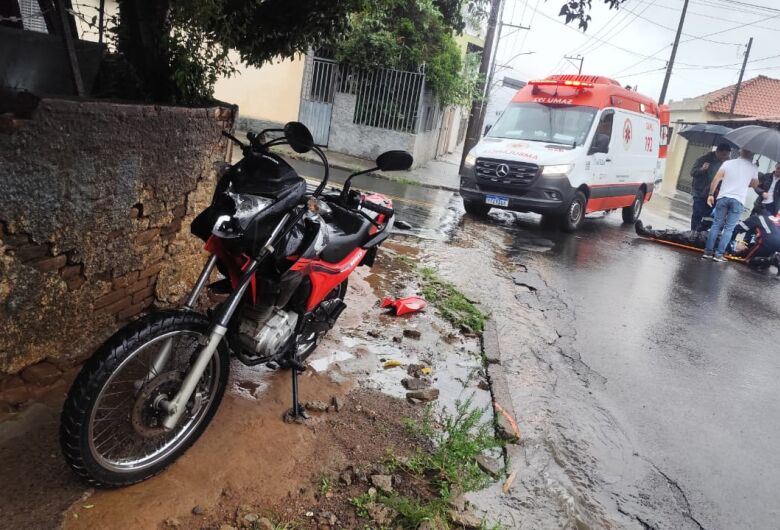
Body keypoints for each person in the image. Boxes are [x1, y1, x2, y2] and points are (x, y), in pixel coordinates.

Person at [635, 213, 780, 271]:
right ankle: (651, 231)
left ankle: (647, 232)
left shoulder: (757, 223)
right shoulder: (766, 229)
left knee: (682, 236)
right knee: (682, 234)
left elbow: (737, 231)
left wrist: (736, 246)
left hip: (717, 243)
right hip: (717, 240)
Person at [703, 149, 760, 262]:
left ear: (740, 152)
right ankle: (719, 255)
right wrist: (754, 171)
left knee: (716, 225)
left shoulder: (728, 163)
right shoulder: (753, 167)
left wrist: (710, 194)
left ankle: (708, 252)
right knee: (729, 228)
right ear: (752, 154)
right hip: (738, 200)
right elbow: (754, 185)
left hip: (723, 197)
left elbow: (716, 178)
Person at [689, 143, 731, 231]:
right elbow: (693, 172)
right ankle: (693, 233)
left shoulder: (726, 163)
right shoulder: (704, 159)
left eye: (727, 155)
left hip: (714, 193)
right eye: (723, 155)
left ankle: (701, 234)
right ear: (717, 151)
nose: (725, 157)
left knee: (708, 216)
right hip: (700, 191)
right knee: (697, 213)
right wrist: (702, 169)